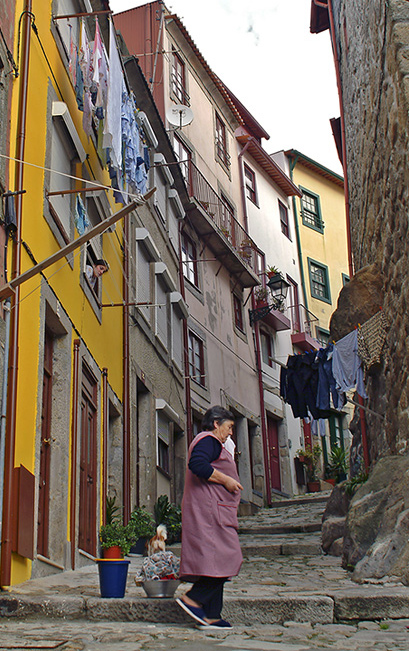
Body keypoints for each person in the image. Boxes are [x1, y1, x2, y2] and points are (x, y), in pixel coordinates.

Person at [176, 405, 243, 629]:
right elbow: (197, 465)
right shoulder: (209, 440)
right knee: (228, 557)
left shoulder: (210, 442)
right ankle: (193, 598)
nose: (231, 432)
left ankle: (212, 615)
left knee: (216, 563)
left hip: (212, 509)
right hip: (210, 511)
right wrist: (226, 480)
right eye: (230, 427)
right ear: (216, 424)